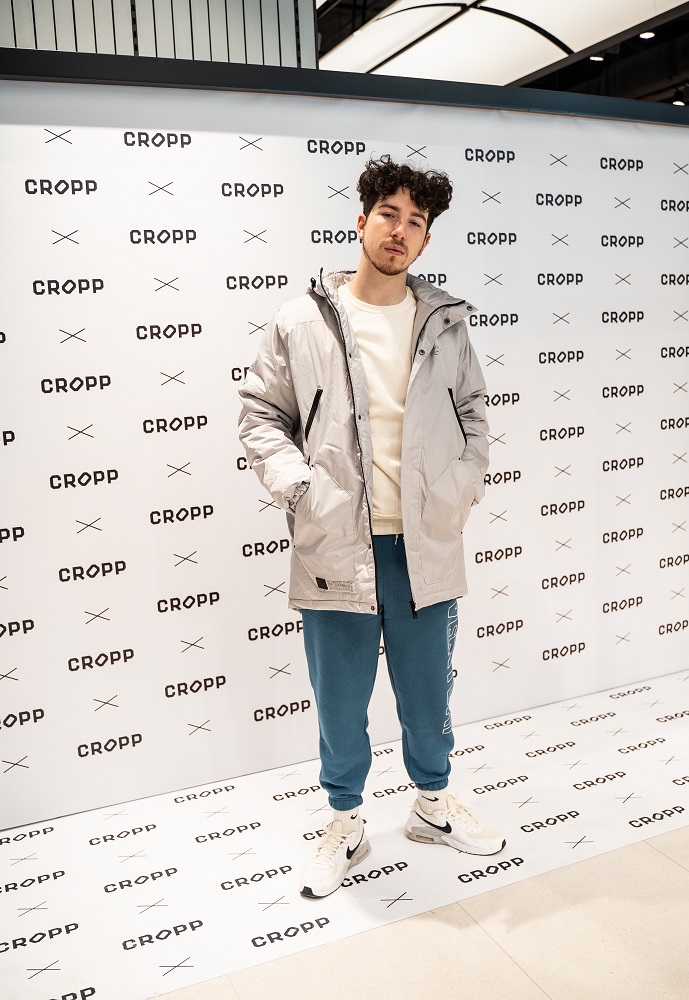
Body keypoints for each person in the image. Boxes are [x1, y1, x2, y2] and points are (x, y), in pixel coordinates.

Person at [238, 154, 504, 899]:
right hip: (337, 543)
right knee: (341, 697)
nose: (400, 230)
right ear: (361, 222)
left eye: (416, 222)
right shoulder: (301, 320)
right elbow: (261, 415)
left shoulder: (444, 322)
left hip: (424, 543)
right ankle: (346, 821)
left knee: (428, 693)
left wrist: (459, 487)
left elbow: (474, 414)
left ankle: (431, 806)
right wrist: (303, 492)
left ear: (426, 240)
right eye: (389, 213)